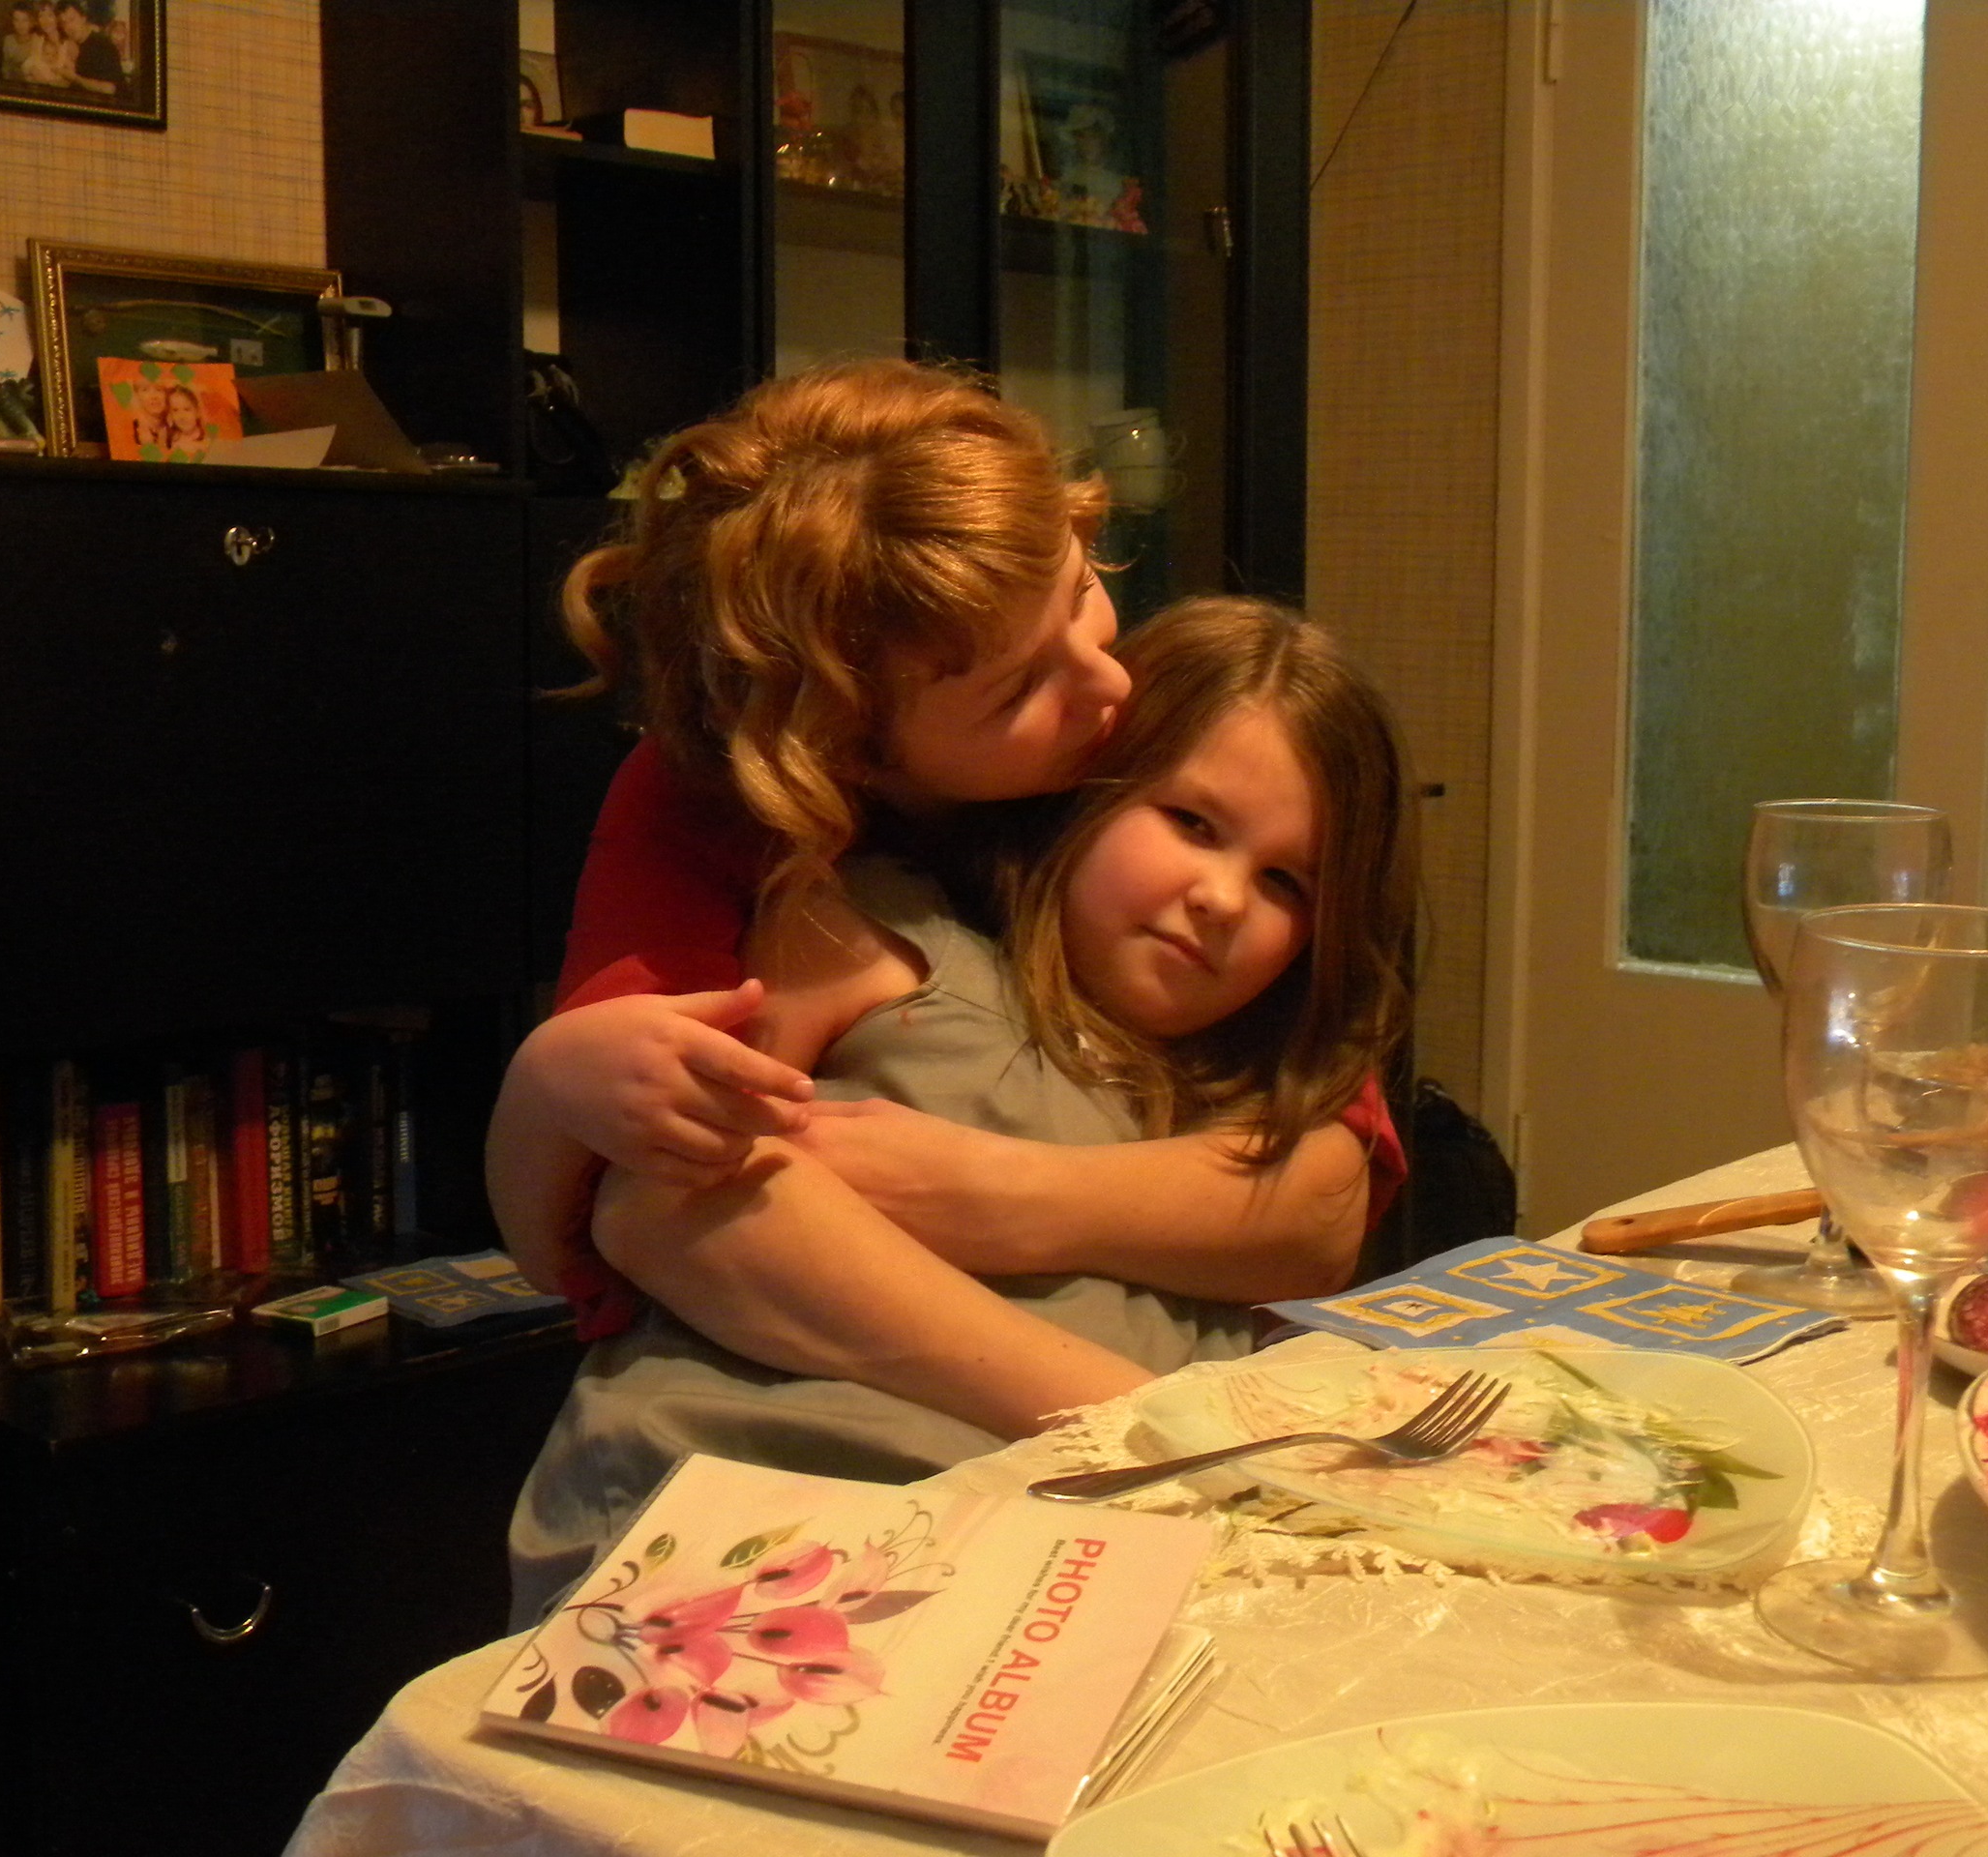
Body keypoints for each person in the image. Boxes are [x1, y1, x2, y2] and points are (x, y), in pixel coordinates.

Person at [508, 596, 1414, 1622]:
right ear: (1082, 790)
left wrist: (1006, 1200)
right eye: (1190, 823)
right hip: (749, 1523)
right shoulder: (868, 934)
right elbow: (659, 1203)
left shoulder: (1254, 1082)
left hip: (1062, 1569)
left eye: (1287, 882)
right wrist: (1148, 1429)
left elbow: (1322, 1215)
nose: (1222, 897)